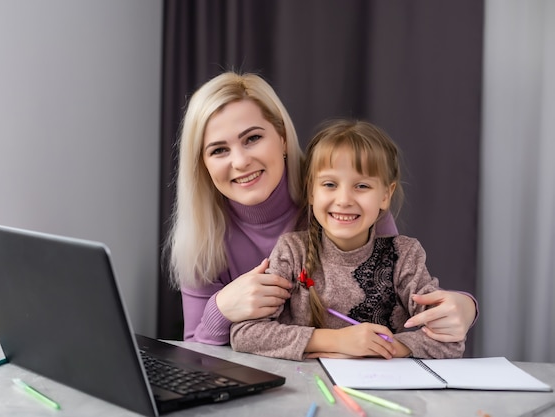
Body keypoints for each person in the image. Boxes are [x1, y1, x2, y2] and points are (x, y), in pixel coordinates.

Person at [165, 71, 477, 346]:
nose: (240, 161)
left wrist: (466, 306)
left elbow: (405, 296)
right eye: (219, 150)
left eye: (253, 138)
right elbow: (195, 352)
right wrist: (221, 308)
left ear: (283, 138)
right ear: (202, 164)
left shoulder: (343, 205)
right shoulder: (203, 237)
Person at [230, 119, 465, 360]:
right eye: (330, 184)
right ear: (311, 191)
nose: (344, 199)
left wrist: (382, 346)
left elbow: (450, 341)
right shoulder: (292, 252)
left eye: (362, 186)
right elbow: (244, 333)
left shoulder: (404, 255)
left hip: (382, 390)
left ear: (386, 195)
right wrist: (338, 342)